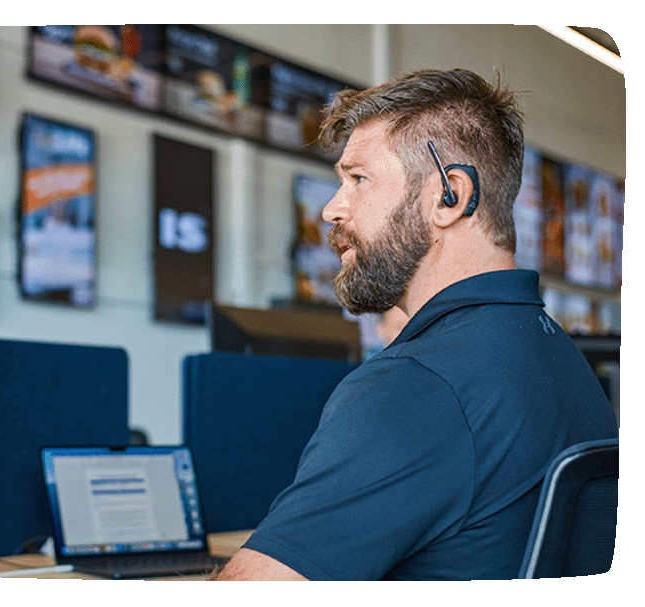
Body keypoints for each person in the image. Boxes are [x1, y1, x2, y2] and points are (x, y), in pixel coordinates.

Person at [213, 68, 618, 581]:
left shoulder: (418, 385)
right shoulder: (559, 358)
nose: (331, 208)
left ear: (449, 195)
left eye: (358, 179)